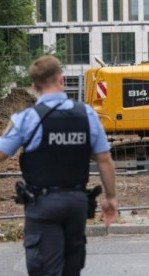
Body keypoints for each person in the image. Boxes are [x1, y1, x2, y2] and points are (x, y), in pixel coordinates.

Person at [0, 55, 118, 275]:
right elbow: (104, 159)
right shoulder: (88, 115)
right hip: (76, 204)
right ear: (61, 80)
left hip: (42, 204)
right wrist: (111, 198)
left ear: (35, 86)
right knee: (71, 268)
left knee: (46, 269)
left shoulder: (27, 118)